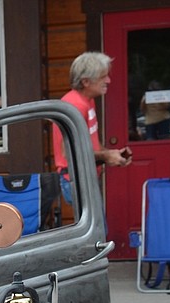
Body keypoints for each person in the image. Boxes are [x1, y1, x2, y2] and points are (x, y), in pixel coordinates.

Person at [51, 51, 132, 202]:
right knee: (97, 226)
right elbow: (69, 153)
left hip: (86, 178)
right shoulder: (74, 106)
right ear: (86, 82)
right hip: (76, 181)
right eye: (103, 77)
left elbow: (91, 142)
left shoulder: (87, 101)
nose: (108, 80)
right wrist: (106, 157)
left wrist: (111, 153)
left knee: (100, 226)